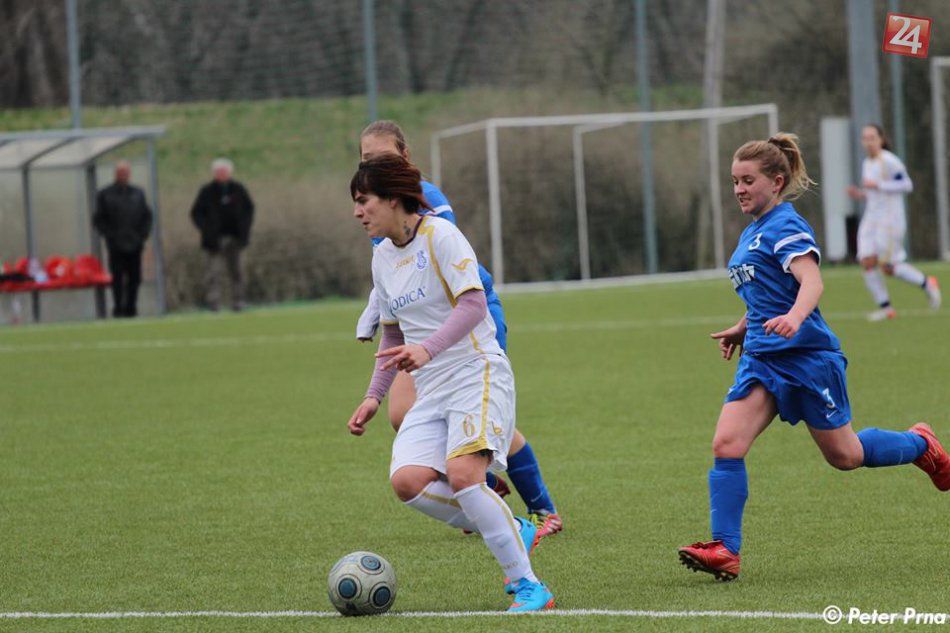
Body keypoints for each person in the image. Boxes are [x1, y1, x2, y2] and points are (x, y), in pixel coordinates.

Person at [678, 133, 950, 582]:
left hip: (806, 359)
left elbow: (811, 282)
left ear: (776, 182)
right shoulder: (752, 232)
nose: (739, 189)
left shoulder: (786, 225)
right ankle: (725, 549)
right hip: (762, 361)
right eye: (735, 181)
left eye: (748, 181)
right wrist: (743, 326)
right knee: (727, 444)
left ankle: (922, 443)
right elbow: (765, 291)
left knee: (845, 455)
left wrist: (795, 317)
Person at [346, 155, 555, 611]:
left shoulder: (440, 235)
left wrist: (428, 349)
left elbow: (474, 305)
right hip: (433, 386)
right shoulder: (382, 257)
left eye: (364, 201)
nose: (358, 212)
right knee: (408, 481)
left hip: (477, 371)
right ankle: (511, 525)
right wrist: (373, 396)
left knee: (463, 476)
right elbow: (393, 334)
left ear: (393, 199)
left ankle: (530, 587)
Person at [847, 124, 941, 321]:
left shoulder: (889, 160)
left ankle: (927, 283)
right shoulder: (867, 163)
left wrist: (878, 184)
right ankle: (886, 308)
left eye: (872, 138)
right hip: (871, 218)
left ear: (881, 139)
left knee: (888, 267)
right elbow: (875, 194)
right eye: (865, 138)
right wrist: (861, 194)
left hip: (889, 221)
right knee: (866, 261)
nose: (868, 142)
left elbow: (907, 184)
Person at [190, 158, 254, 311]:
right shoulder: (206, 191)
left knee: (237, 272)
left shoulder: (238, 189)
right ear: (214, 173)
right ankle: (214, 303)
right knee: (213, 273)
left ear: (230, 172)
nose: (221, 174)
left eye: (224, 171)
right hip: (214, 241)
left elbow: (249, 210)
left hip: (236, 238)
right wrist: (206, 230)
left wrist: (244, 230)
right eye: (218, 172)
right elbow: (196, 213)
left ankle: (238, 301)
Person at [93, 160, 153, 318]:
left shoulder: (138, 193)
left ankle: (131, 308)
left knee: (135, 278)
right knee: (117, 278)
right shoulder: (105, 194)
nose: (123, 175)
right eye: (120, 173)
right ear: (115, 174)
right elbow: (99, 220)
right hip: (116, 245)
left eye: (126, 172)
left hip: (135, 244)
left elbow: (147, 216)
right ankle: (118, 309)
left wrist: (142, 235)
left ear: (129, 174)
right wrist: (110, 235)